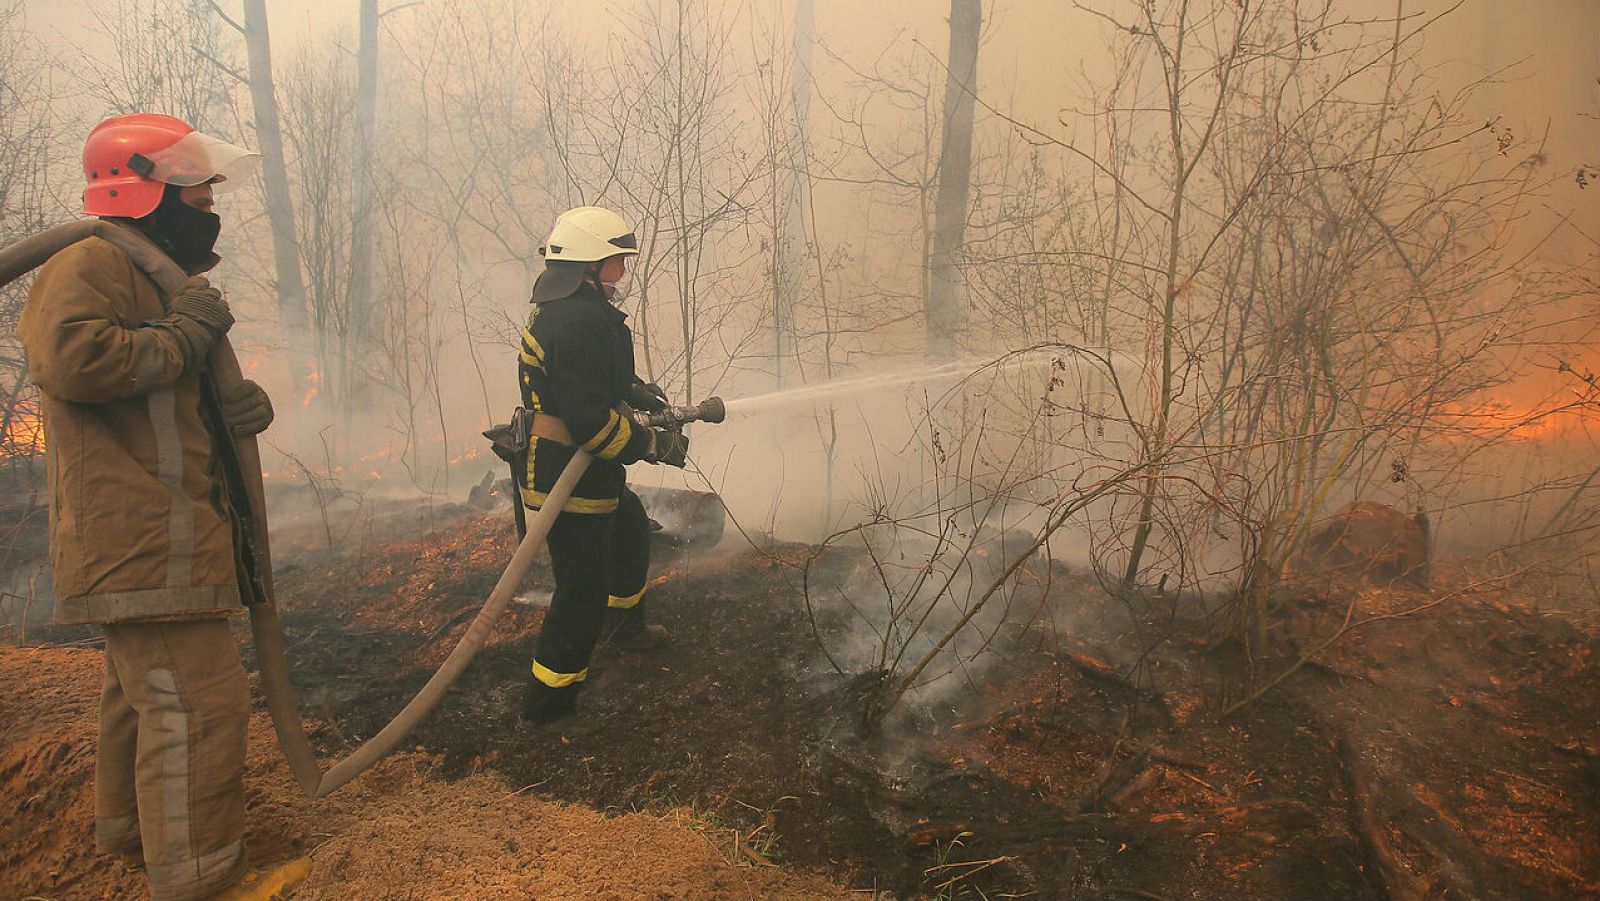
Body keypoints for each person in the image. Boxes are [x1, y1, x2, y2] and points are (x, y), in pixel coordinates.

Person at [17, 113, 308, 901]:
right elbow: (73, 360)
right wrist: (185, 335)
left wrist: (236, 405)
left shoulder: (146, 274)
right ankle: (203, 879)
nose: (209, 206)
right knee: (199, 703)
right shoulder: (88, 262)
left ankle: (133, 834)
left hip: (163, 536)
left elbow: (163, 407)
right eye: (198, 191)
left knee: (142, 694)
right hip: (139, 538)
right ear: (143, 190)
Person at [517, 205, 688, 725]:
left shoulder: (570, 310)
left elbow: (583, 382)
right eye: (616, 261)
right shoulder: (581, 321)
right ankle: (550, 702)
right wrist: (652, 446)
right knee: (580, 587)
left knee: (630, 528)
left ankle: (625, 629)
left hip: (576, 464)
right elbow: (592, 421)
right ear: (589, 266)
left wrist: (636, 392)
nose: (622, 271)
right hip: (565, 470)